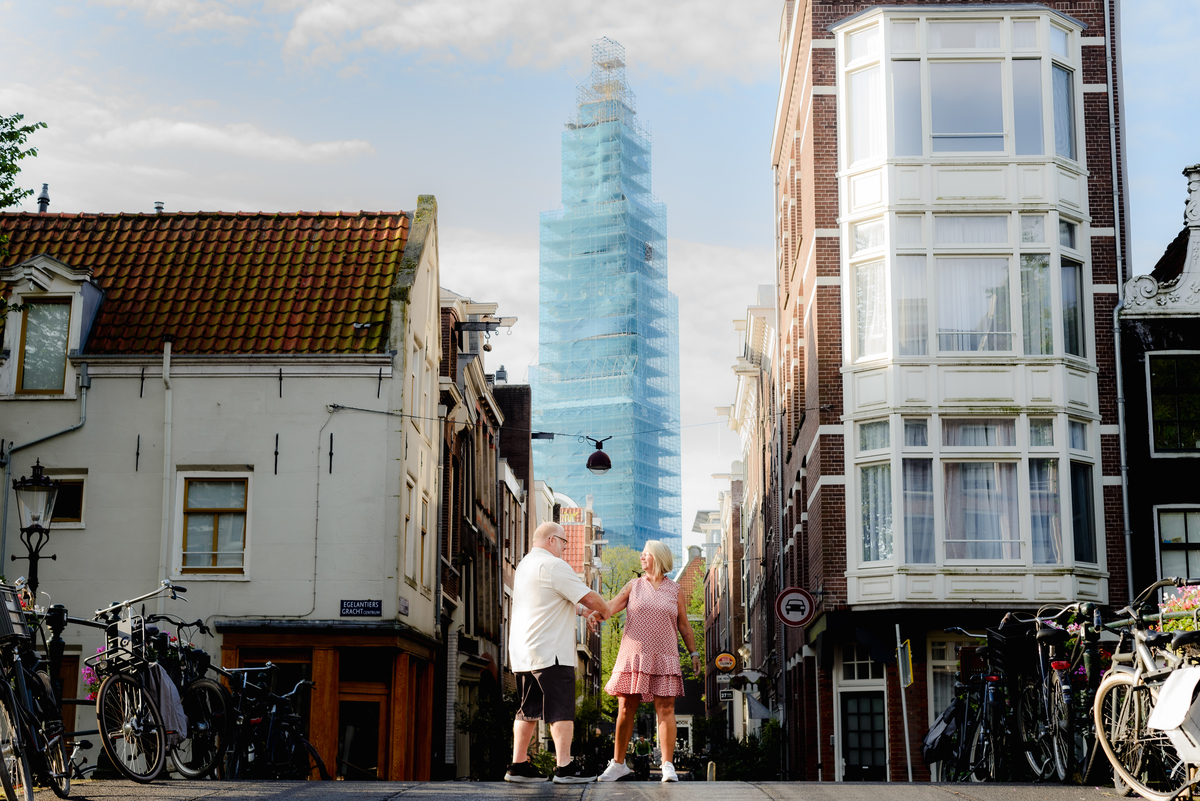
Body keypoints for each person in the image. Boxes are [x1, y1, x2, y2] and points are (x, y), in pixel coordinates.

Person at [504, 522, 612, 784]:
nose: (566, 547)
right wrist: (604, 610)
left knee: (526, 710)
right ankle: (565, 767)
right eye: (564, 542)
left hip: (523, 652)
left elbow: (550, 600)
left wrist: (582, 613)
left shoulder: (525, 566)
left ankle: (518, 766)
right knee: (562, 710)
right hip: (551, 652)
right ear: (552, 540)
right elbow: (589, 597)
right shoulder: (554, 565)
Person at [595, 540, 699, 783]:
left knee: (666, 709)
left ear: (658, 558)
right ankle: (618, 764)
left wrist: (693, 653)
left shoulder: (675, 590)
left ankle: (667, 766)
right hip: (634, 657)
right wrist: (595, 613)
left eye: (646, 553)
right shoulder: (633, 586)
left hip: (665, 656)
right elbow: (610, 608)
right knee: (625, 708)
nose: (641, 556)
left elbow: (684, 625)